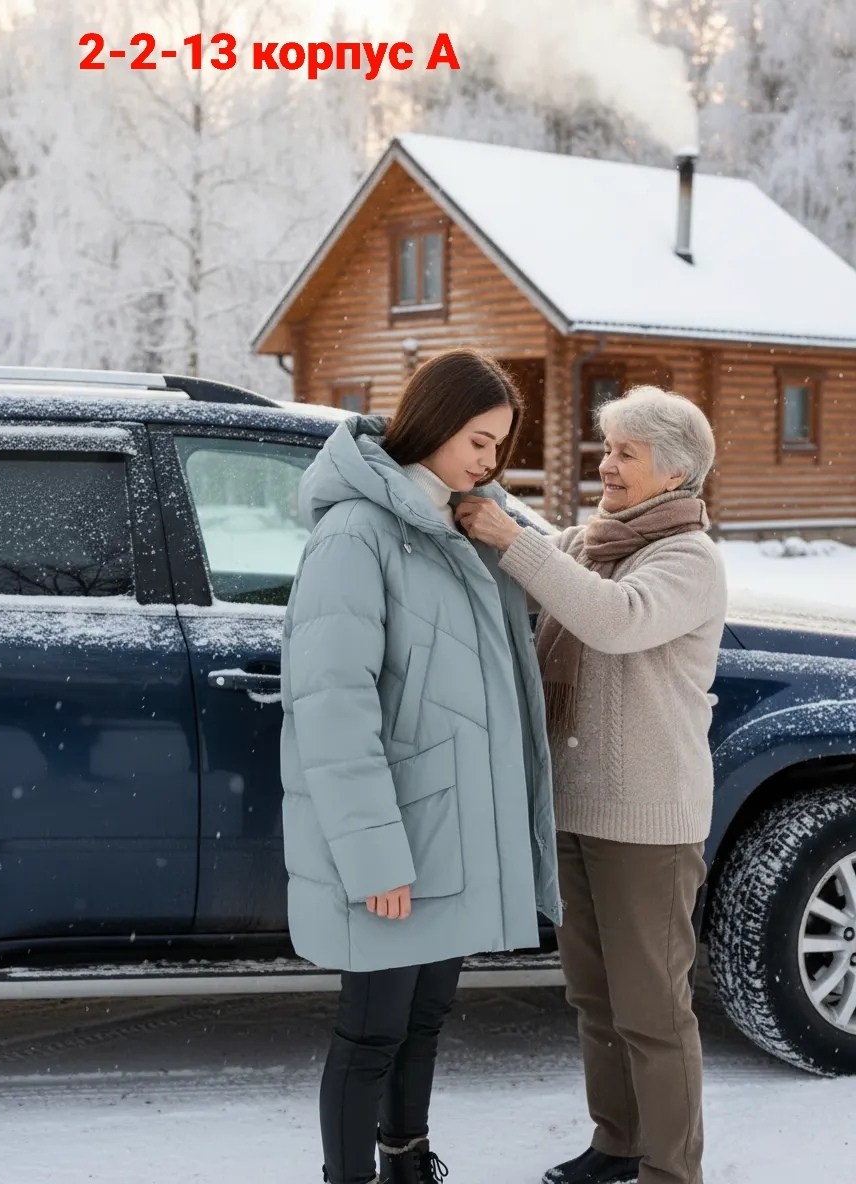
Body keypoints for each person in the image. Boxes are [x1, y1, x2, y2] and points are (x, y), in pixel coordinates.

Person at [280, 347, 561, 1184]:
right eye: (479, 440)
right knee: (371, 1030)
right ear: (435, 424)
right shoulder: (356, 534)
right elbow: (333, 708)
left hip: (452, 828)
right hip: (396, 832)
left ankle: (406, 1163)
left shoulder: (464, 525)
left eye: (499, 446)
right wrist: (374, 857)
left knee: (426, 1018)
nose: (490, 461)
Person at [456, 385, 727, 1184]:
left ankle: (672, 1171)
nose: (604, 464)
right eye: (605, 448)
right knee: (596, 1000)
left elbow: (613, 618)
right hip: (576, 809)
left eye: (624, 453)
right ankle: (617, 1145)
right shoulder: (590, 543)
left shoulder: (687, 560)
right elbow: (532, 560)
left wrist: (515, 539)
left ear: (674, 473)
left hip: (648, 824)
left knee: (653, 1013)